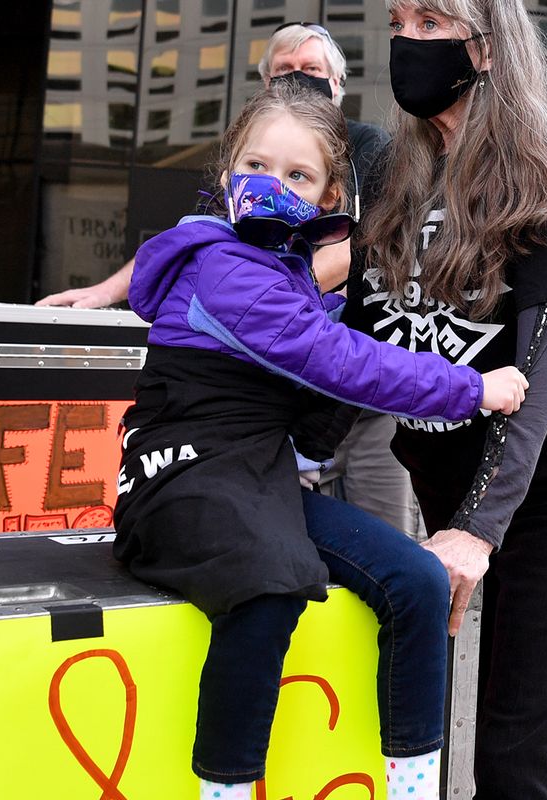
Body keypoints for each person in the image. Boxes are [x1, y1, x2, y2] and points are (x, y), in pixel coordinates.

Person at [112, 85, 529, 800]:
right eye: (256, 165)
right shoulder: (226, 268)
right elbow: (339, 361)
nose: (272, 186)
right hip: (178, 480)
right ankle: (227, 787)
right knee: (269, 582)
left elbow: (332, 364)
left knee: (417, 581)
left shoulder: (290, 275)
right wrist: (472, 387)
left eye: (298, 175)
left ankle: (412, 785)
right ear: (226, 175)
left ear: (331, 194)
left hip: (257, 478)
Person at [343, 1, 547, 796]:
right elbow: (348, 340)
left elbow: (540, 368)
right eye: (399, 19)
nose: (408, 39)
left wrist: (478, 528)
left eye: (431, 21)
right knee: (422, 728)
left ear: (484, 45)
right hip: (446, 479)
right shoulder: (389, 171)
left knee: (515, 744)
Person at [38, 23, 422, 537]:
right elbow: (200, 237)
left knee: (387, 540)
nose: (298, 79)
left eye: (312, 70)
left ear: (337, 85)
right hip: (285, 389)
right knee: (286, 538)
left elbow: (362, 248)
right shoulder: (251, 167)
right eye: (285, 70)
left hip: (360, 382)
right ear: (265, 84)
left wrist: (270, 288)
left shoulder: (370, 149)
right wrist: (106, 292)